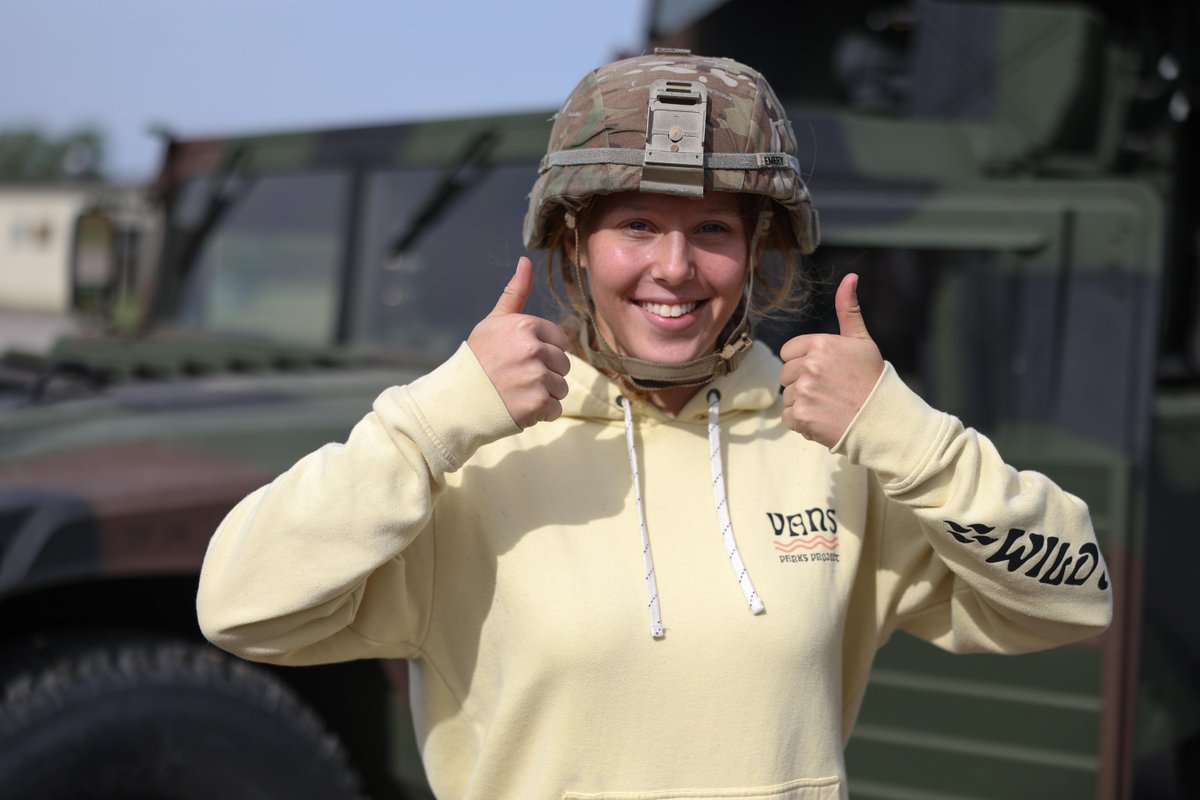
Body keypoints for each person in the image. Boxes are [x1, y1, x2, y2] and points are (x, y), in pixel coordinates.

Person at [197, 50, 1112, 799]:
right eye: (636, 223)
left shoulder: (839, 452)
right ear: (573, 243)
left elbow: (1074, 598)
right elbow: (240, 607)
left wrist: (906, 434)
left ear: (757, 250)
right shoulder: (470, 456)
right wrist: (433, 422)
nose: (674, 267)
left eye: (712, 229)